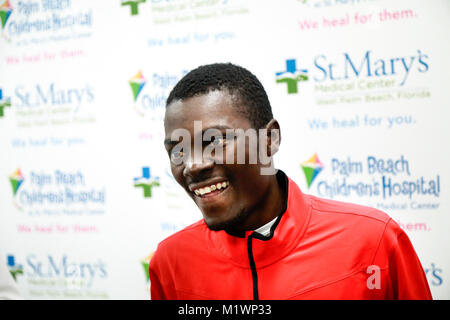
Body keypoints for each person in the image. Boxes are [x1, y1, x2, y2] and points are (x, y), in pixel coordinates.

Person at [149, 63, 432, 300]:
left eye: (214, 140)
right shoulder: (171, 262)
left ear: (269, 139)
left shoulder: (373, 241)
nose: (193, 165)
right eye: (178, 149)